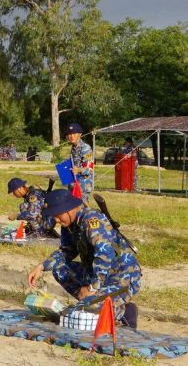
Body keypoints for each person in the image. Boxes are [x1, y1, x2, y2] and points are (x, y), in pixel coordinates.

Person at [25, 189, 142, 328]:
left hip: (122, 277)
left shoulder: (92, 220)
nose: (56, 220)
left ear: (68, 208)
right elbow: (67, 251)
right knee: (59, 270)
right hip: (97, 274)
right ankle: (91, 299)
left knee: (84, 313)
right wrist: (42, 266)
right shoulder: (68, 224)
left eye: (58, 215)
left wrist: (92, 288)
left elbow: (105, 255)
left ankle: (123, 312)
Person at [64, 122, 95, 201]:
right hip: (73, 184)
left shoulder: (86, 148)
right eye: (69, 134)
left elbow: (89, 169)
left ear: (80, 134)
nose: (71, 136)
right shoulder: (73, 148)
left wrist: (78, 170)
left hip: (82, 187)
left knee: (80, 210)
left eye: (74, 133)